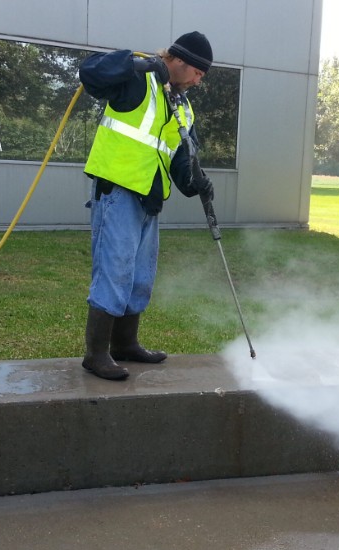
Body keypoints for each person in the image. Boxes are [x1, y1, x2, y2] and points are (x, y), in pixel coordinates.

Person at [77, 32, 215, 380]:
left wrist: (197, 180)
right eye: (198, 72)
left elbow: (182, 157)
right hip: (118, 191)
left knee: (139, 275)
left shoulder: (181, 104)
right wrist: (137, 63)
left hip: (149, 197)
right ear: (179, 60)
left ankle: (126, 345)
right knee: (115, 269)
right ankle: (96, 354)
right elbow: (90, 72)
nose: (200, 81)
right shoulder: (137, 80)